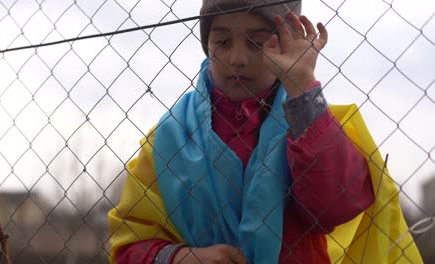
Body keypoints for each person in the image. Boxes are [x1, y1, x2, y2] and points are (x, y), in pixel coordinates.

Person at [108, 1, 422, 263]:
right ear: (207, 45)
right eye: (222, 41)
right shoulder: (168, 139)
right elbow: (129, 244)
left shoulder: (312, 123)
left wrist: (301, 89)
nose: (237, 59)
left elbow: (335, 208)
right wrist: (181, 258)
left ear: (286, 44)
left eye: (258, 42)